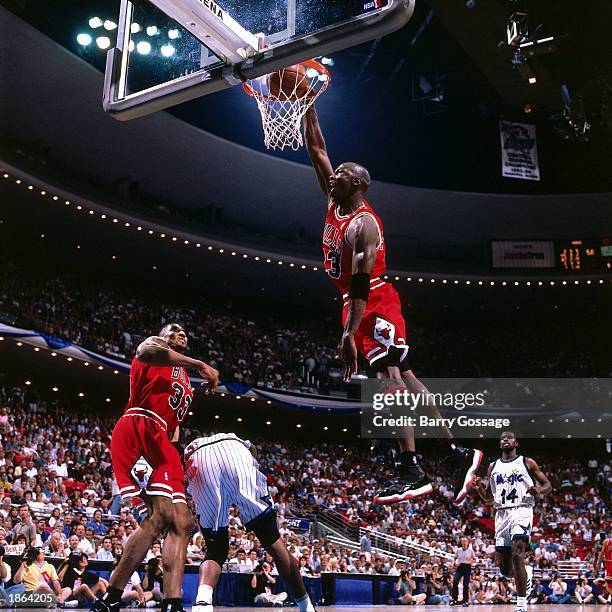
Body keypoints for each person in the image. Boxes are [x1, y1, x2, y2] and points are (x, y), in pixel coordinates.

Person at [303, 106, 482, 505]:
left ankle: (411, 467)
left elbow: (363, 283)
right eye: (335, 173)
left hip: (374, 301)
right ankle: (455, 453)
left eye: (342, 174)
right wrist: (308, 102)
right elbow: (316, 148)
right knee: (408, 378)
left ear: (359, 184)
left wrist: (350, 333)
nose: (334, 176)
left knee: (390, 381)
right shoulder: (336, 204)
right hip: (357, 301)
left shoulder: (364, 223)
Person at [90, 323, 219, 612]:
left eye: (185, 332)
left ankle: (172, 602)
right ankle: (111, 597)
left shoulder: (185, 379)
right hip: (139, 426)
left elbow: (173, 429)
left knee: (183, 523)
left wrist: (177, 458)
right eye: (174, 330)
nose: (182, 333)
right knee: (160, 514)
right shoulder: (153, 347)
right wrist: (200, 363)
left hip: (163, 440)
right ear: (162, 336)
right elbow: (148, 350)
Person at [184, 433, 317, 612]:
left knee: (215, 550)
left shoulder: (198, 443)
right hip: (235, 451)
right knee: (273, 543)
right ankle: (306, 607)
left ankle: (202, 604)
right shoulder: (237, 440)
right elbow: (252, 450)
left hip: (198, 458)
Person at [474, 431, 551, 612]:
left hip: (522, 510)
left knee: (518, 553)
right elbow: (488, 498)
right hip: (501, 514)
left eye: (509, 438)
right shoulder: (492, 467)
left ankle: (521, 605)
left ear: (516, 442)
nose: (505, 440)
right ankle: (527, 572)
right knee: (504, 570)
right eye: (502, 438)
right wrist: (478, 489)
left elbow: (548, 484)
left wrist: (538, 491)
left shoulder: (527, 462)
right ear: (500, 444)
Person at [451, 537, 477, 606]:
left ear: (468, 543)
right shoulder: (458, 550)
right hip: (460, 567)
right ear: (461, 542)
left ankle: (465, 601)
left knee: (465, 584)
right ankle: (454, 599)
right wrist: (455, 563)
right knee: (455, 580)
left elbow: (475, 561)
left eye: (466, 541)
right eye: (463, 541)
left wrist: (470, 560)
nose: (464, 543)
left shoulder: (470, 550)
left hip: (467, 567)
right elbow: (455, 558)